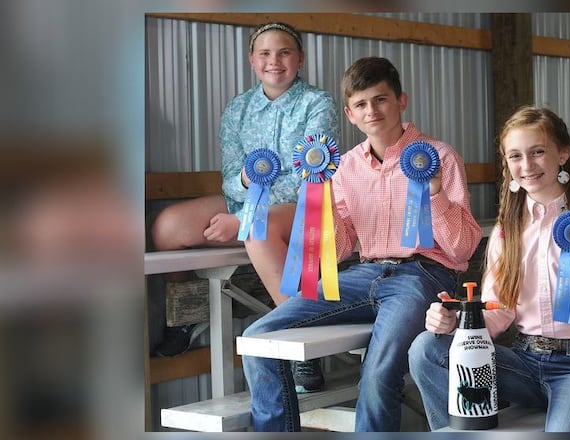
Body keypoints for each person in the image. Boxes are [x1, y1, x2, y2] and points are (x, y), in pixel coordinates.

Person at [240, 56, 483, 432]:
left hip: (424, 277)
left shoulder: (440, 157)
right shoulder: (344, 167)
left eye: (380, 99)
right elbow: (336, 252)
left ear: (401, 101)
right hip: (363, 273)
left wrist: (434, 193)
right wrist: (320, 202)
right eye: (361, 104)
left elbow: (462, 250)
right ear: (350, 114)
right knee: (257, 337)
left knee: (377, 372)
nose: (372, 111)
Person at [408, 105, 570, 432]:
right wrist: (457, 321)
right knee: (427, 349)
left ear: (563, 154)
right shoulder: (507, 229)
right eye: (515, 156)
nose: (526, 165)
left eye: (538, 152)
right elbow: (499, 311)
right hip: (524, 362)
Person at [149, 22, 340, 391]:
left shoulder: (318, 103)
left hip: (302, 204)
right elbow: (230, 175)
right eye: (265, 53)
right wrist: (244, 187)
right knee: (165, 227)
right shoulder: (237, 107)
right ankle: (186, 318)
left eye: (284, 52)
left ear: (299, 59)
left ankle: (306, 346)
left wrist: (239, 220)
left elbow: (311, 179)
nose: (275, 61)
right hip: (246, 201)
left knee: (258, 227)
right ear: (252, 60)